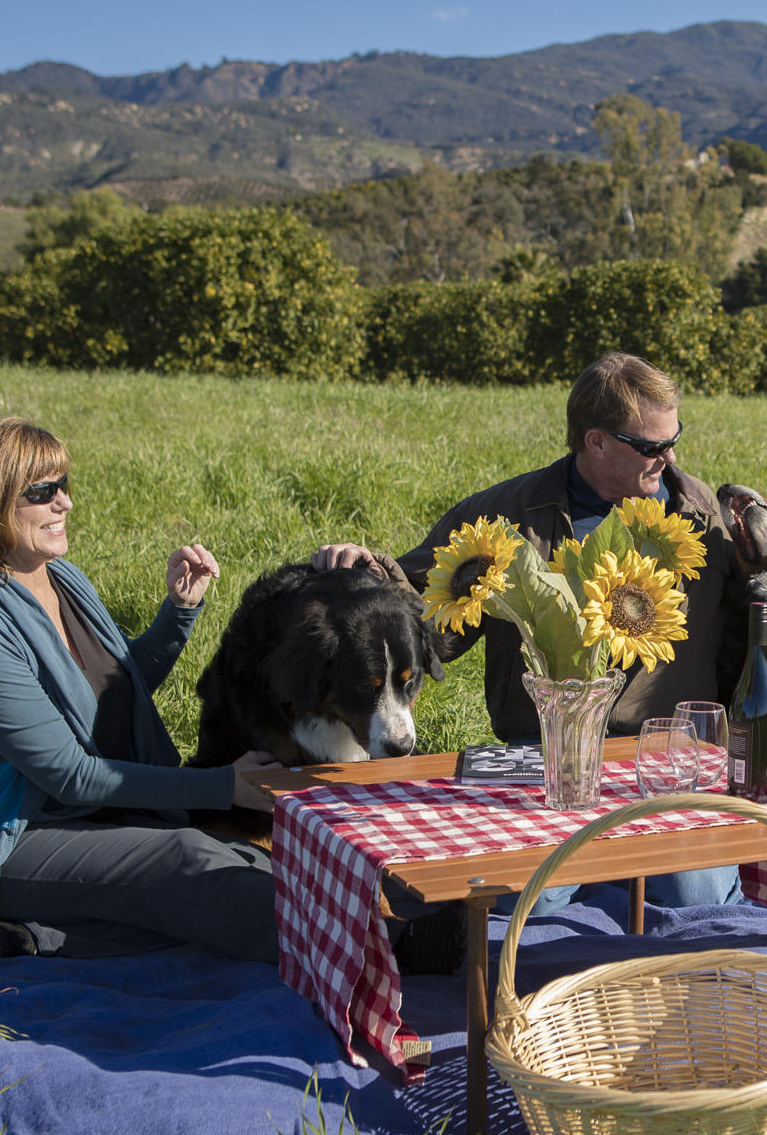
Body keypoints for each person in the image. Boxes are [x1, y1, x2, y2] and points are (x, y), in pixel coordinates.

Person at [316, 352, 744, 909]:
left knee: (696, 901)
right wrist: (367, 573)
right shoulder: (503, 515)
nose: (669, 456)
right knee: (528, 909)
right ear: (594, 441)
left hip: (663, 761)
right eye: (650, 446)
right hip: (546, 760)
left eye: (673, 438)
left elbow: (749, 633)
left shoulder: (703, 517)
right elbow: (426, 620)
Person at [0, 417, 288, 962]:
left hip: (86, 817)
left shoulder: (62, 578)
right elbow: (69, 775)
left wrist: (179, 613)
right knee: (185, 862)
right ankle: (366, 943)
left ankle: (26, 939)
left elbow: (113, 691)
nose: (64, 503)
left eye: (64, 484)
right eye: (42, 492)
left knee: (239, 859)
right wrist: (223, 787)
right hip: (7, 838)